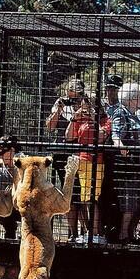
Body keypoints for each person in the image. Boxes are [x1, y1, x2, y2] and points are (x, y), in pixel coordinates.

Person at [65, 96, 111, 244]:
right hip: (81, 161)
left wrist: (94, 119)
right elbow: (69, 137)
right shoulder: (81, 120)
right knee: (84, 199)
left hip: (96, 162)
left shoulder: (105, 120)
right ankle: (88, 231)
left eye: (87, 106)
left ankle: (96, 233)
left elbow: (102, 137)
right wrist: (74, 118)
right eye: (83, 106)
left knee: (92, 199)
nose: (84, 109)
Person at [46, 78, 85, 241]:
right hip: (63, 154)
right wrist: (59, 110)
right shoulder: (60, 104)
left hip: (81, 153)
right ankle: (72, 233)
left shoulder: (86, 104)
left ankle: (85, 231)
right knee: (68, 193)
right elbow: (50, 127)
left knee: (83, 194)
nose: (71, 100)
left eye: (75, 97)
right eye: (69, 96)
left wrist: (80, 107)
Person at [111, 82, 140, 243]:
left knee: (137, 202)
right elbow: (116, 134)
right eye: (139, 97)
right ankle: (123, 234)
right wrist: (120, 146)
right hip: (126, 166)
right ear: (131, 99)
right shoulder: (121, 113)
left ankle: (131, 233)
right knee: (128, 202)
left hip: (138, 166)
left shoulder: (135, 115)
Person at [0, 135, 22, 239]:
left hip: (22, 207)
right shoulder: (0, 170)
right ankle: (9, 239)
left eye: (3, 153)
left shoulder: (23, 164)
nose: (1, 156)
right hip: (5, 207)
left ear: (12, 150)